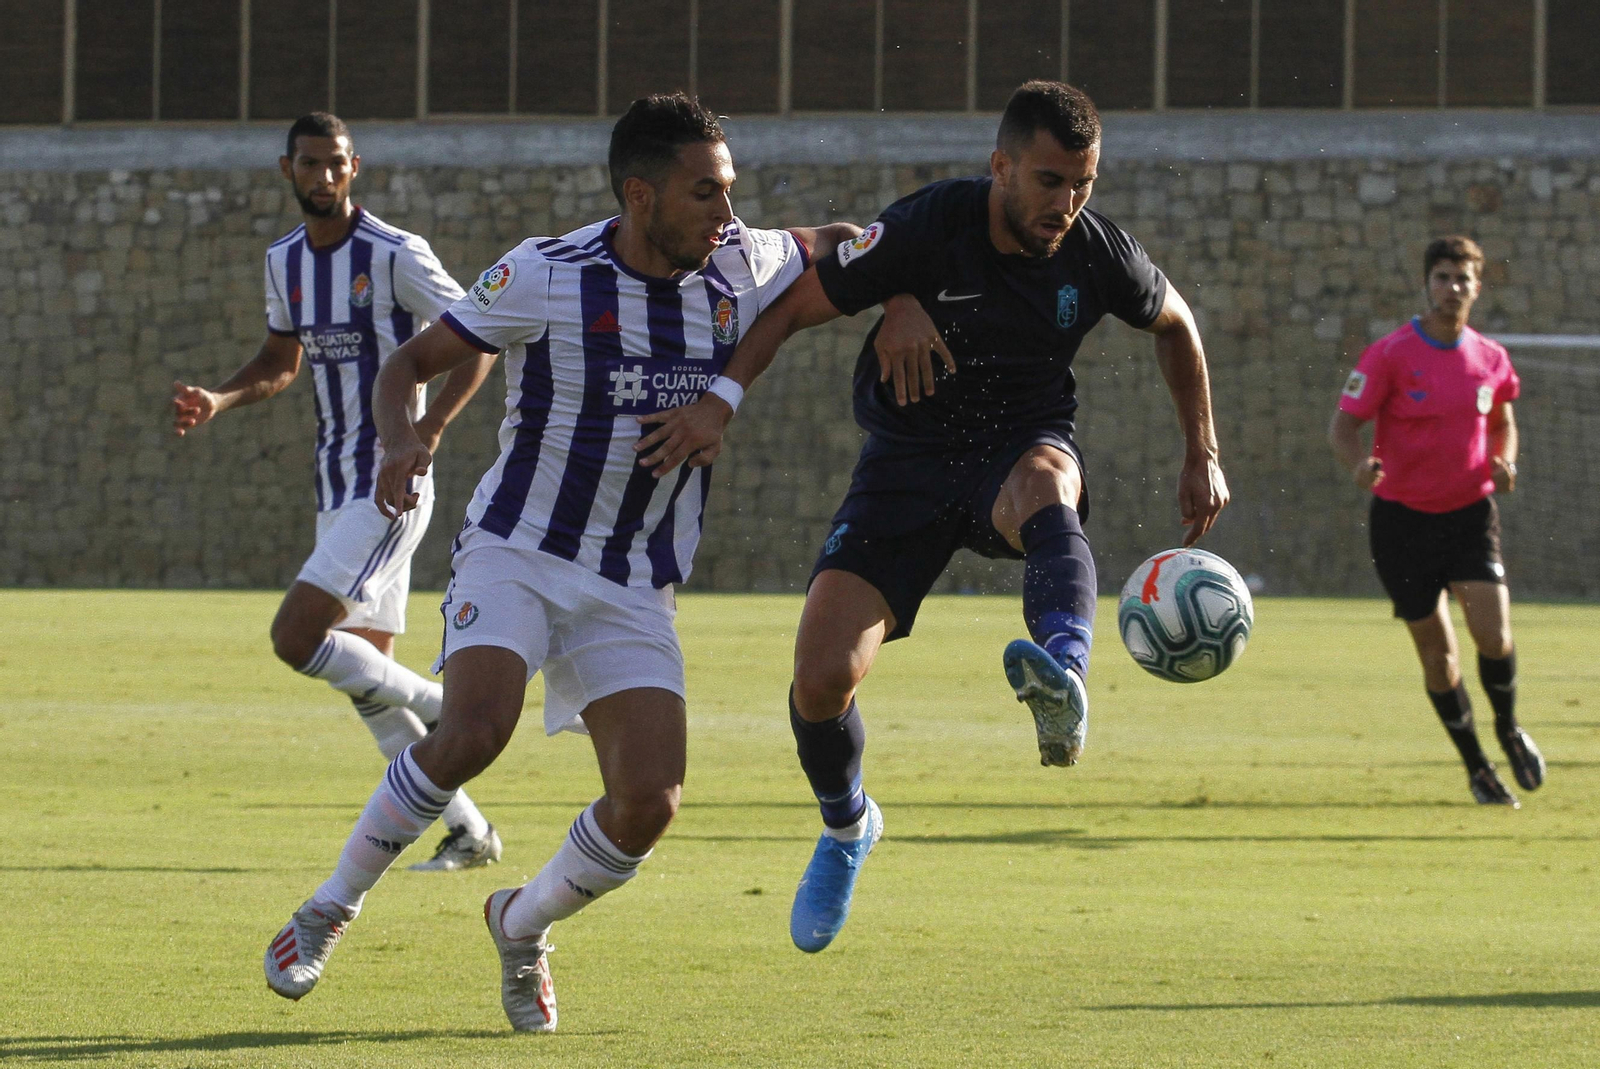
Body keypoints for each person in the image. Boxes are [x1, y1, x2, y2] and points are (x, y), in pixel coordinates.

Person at [261, 93, 860, 1030]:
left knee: (649, 804)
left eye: (730, 189)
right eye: (705, 193)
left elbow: (847, 244)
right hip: (519, 550)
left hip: (633, 580)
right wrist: (398, 441)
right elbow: (402, 367)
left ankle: (522, 921)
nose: (725, 212)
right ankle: (330, 905)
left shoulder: (740, 259)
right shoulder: (544, 273)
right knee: (473, 731)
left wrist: (901, 299)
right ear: (640, 193)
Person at [635, 80, 1229, 953]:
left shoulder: (1096, 251)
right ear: (1000, 167)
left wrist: (1201, 449)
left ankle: (1064, 674)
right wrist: (725, 398)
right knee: (819, 679)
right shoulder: (928, 225)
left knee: (1046, 483)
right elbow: (798, 303)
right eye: (1048, 181)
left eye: (1083, 184)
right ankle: (847, 827)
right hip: (904, 468)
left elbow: (1175, 323)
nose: (1065, 204)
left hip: (1019, 444)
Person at [171, 112, 503, 871]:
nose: (323, 177)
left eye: (336, 164)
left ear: (356, 169)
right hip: (336, 484)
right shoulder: (285, 260)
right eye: (310, 164)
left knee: (297, 638)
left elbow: (477, 335)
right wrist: (219, 399)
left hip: (389, 483)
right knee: (364, 680)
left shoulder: (394, 254)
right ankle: (470, 831)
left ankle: (448, 707)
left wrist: (432, 429)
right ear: (286, 169)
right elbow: (280, 360)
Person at [1330, 235, 1544, 808]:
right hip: (1402, 524)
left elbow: (1503, 420)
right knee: (1439, 656)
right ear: (1427, 284)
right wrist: (1359, 467)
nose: (1453, 288)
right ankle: (1477, 766)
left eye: (1463, 279)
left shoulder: (1490, 357)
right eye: (1443, 277)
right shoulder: (1391, 354)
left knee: (1495, 635)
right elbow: (1343, 426)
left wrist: (1507, 459)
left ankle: (1508, 728)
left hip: (1471, 513)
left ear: (1478, 286)